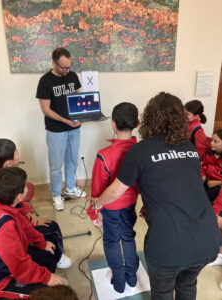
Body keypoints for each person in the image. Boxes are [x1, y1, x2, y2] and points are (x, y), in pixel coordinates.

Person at [92, 92, 220, 300]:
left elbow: (115, 191)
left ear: (148, 119)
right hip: (207, 240)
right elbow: (180, 186)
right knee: (188, 284)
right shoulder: (189, 148)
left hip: (168, 245)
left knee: (162, 292)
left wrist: (96, 203)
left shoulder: (140, 151)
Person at [87, 102, 139, 293]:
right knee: (128, 237)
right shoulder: (141, 152)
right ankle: (132, 277)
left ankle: (119, 281)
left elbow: (97, 192)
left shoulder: (103, 155)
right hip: (131, 205)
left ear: (113, 124)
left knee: (111, 241)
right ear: (137, 123)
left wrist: (93, 213)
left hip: (110, 208)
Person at [0, 138, 72, 271]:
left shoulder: (8, 180)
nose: (18, 155)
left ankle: (56, 254)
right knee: (51, 227)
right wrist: (30, 223)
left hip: (19, 222)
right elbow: (12, 220)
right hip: (11, 237)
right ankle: (55, 259)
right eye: (16, 153)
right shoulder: (4, 192)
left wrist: (29, 212)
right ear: (8, 163)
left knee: (46, 229)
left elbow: (19, 203)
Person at [0, 167, 64, 299]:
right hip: (2, 279)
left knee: (48, 253)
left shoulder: (9, 205)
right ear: (19, 196)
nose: (28, 187)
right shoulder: (4, 227)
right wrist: (46, 277)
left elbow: (25, 227)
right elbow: (19, 265)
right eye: (25, 186)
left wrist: (42, 243)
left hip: (13, 258)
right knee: (47, 294)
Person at [36, 47, 86, 211]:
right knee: (56, 166)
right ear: (54, 63)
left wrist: (82, 116)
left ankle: (70, 187)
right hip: (56, 130)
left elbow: (78, 98)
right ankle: (57, 194)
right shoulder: (45, 81)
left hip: (74, 128)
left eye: (69, 66)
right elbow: (46, 110)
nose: (67, 70)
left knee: (72, 160)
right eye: (63, 67)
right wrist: (65, 120)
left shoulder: (72, 76)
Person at [201, 129, 222, 266]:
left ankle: (218, 252)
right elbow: (204, 166)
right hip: (209, 183)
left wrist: (217, 182)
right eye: (211, 140)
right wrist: (202, 174)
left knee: (215, 217)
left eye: (216, 141)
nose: (211, 143)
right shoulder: (209, 154)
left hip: (217, 188)